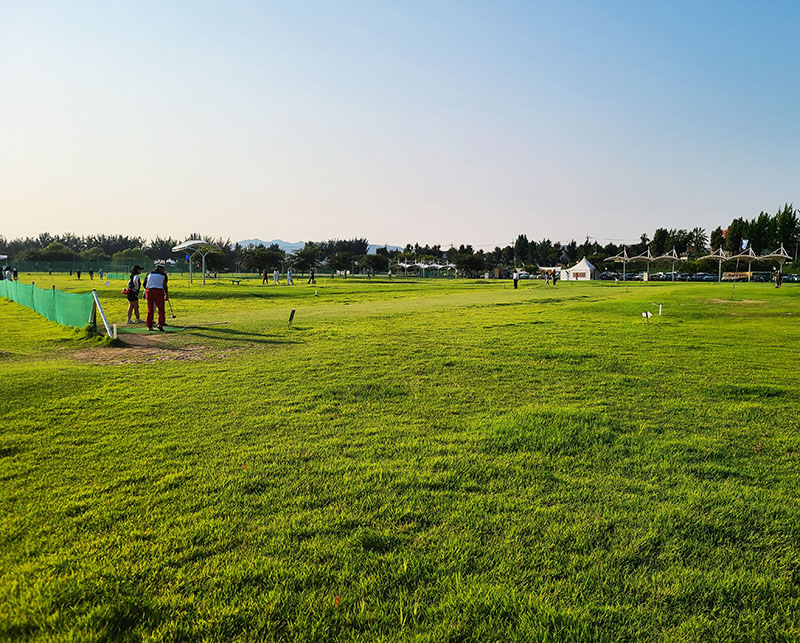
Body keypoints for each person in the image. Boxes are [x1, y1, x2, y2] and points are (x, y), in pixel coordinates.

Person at [144, 264, 169, 331]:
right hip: (159, 291)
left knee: (150, 309)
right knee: (161, 309)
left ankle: (149, 326)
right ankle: (160, 324)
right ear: (161, 269)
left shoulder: (149, 274)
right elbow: (165, 285)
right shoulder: (163, 275)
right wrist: (166, 294)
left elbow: (144, 284)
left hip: (149, 291)